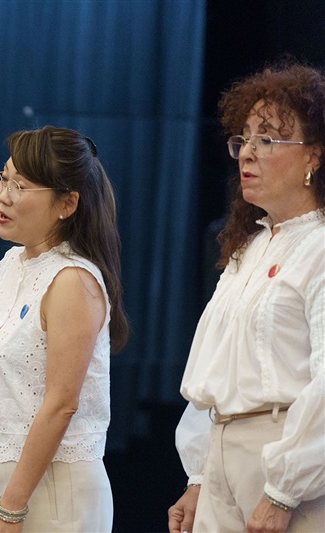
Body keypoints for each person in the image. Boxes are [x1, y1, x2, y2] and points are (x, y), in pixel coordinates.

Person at [168, 61, 325, 533]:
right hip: (222, 454)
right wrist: (199, 477)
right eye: (244, 139)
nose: (247, 153)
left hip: (285, 459)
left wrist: (283, 490)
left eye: (268, 139)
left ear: (314, 157)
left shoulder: (319, 246)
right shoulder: (249, 248)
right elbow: (217, 369)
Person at [0, 126, 129, 532]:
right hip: (4, 491)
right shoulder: (12, 265)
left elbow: (61, 403)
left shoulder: (73, 279)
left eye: (20, 186)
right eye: (3, 179)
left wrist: (10, 505)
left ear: (67, 203)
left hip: (52, 493)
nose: (3, 195)